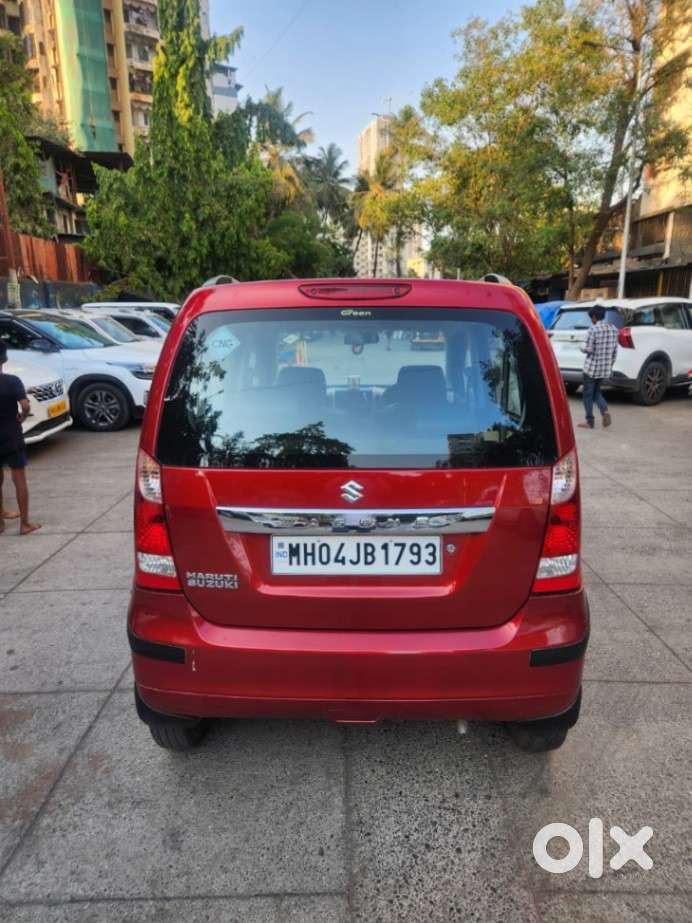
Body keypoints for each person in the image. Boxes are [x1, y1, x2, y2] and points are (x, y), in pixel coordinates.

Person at [0, 344, 41, 535]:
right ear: (4, 359)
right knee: (19, 478)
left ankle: (0, 521)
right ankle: (24, 524)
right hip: (10, 434)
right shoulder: (12, 381)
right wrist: (22, 417)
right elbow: (25, 406)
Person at [578, 305, 618, 430]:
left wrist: (581, 347)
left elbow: (589, 349)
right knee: (596, 392)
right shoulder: (614, 329)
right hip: (604, 368)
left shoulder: (593, 329)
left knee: (587, 395)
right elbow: (615, 351)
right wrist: (609, 365)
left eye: (591, 317)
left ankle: (590, 421)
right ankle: (604, 410)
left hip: (591, 368)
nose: (591, 320)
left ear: (594, 316)